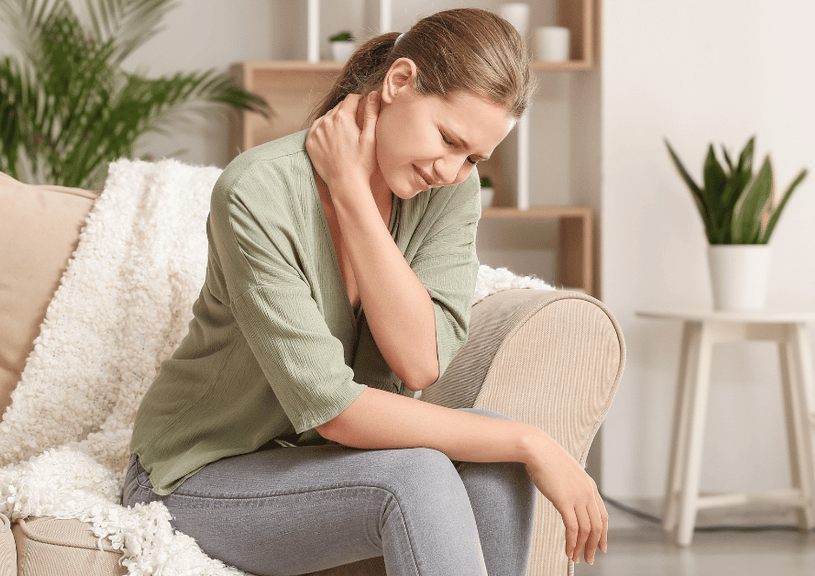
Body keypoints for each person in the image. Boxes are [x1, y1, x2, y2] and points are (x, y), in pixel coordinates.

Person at [124, 8, 607, 576]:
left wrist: (354, 196)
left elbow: (419, 362)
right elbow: (334, 411)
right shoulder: (257, 192)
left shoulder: (450, 190)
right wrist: (530, 439)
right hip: (198, 475)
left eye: (472, 157)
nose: (452, 169)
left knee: (492, 462)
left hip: (322, 466)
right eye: (448, 139)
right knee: (435, 470)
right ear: (399, 82)